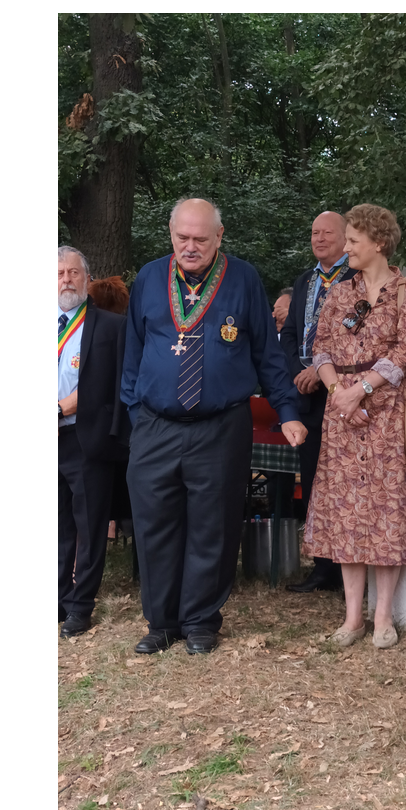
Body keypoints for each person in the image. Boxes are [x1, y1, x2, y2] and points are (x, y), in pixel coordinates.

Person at [121, 198, 307, 655]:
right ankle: (161, 622)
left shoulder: (243, 279)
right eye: (182, 237)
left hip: (220, 426)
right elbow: (133, 353)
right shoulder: (149, 278)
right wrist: (136, 414)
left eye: (200, 239)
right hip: (156, 425)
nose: (190, 246)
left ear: (219, 237)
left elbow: (267, 354)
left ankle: (201, 620)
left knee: (214, 525)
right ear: (171, 234)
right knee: (155, 525)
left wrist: (287, 411)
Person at [303, 204, 406, 648]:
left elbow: (405, 352)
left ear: (378, 242)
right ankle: (352, 617)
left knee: (384, 510)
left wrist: (362, 391)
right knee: (346, 511)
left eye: (353, 240)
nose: (346, 247)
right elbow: (320, 349)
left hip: (385, 410)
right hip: (341, 409)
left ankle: (383, 618)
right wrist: (339, 393)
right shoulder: (339, 292)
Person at [281, 212, 355, 593]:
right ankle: (322, 566)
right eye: (314, 232)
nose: (319, 238)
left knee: (344, 482)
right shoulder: (304, 281)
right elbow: (291, 333)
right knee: (312, 481)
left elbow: (356, 337)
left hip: (343, 394)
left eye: (327, 232)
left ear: (345, 238)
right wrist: (299, 370)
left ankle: (348, 566)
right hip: (306, 397)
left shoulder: (356, 278)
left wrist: (321, 371)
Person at [58, 247, 131, 637]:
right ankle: (60, 598)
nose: (66, 279)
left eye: (74, 272)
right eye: (59, 274)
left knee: (89, 527)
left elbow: (117, 386)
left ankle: (80, 605)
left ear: (87, 279)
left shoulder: (111, 327)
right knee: (59, 527)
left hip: (86, 439)